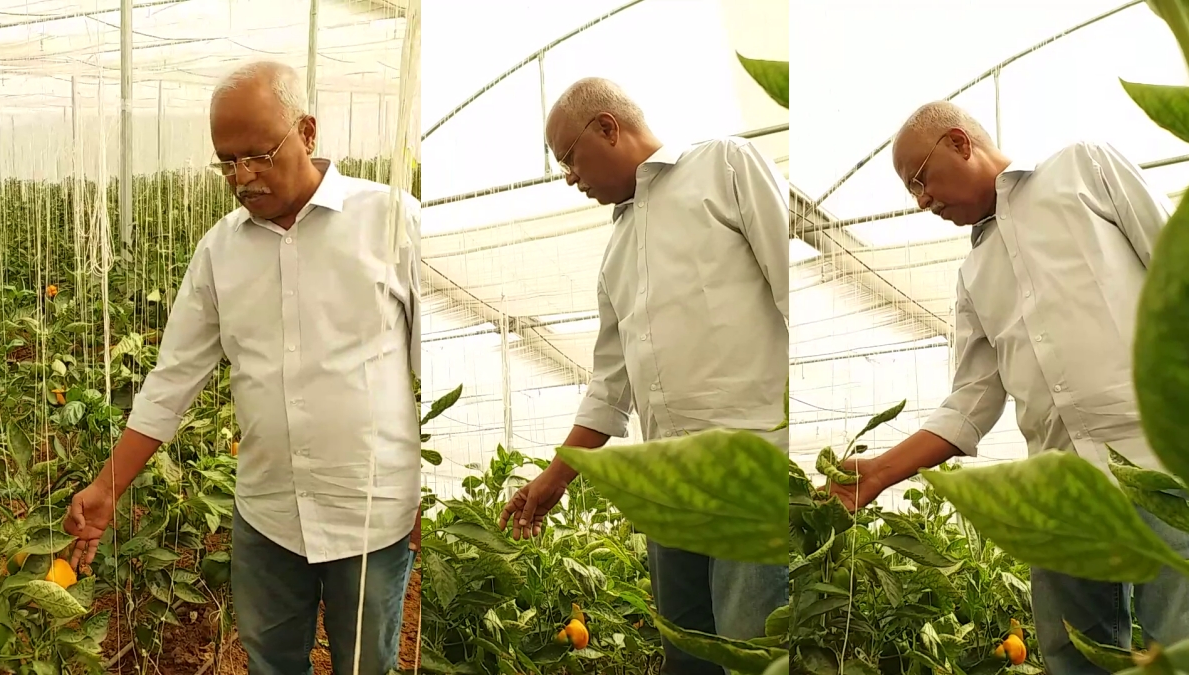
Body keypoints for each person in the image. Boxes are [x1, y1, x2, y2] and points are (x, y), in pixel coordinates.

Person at [61, 61, 422, 675]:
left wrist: (423, 494)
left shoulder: (392, 220)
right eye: (226, 162)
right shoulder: (219, 250)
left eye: (257, 155)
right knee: (270, 663)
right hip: (268, 514)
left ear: (307, 132)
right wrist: (107, 488)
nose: (242, 177)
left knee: (367, 664)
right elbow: (172, 379)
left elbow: (428, 359)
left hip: (371, 511)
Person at [829, 100, 1189, 675]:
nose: (921, 201)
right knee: (1076, 653)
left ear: (959, 143)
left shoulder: (1084, 170)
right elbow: (972, 399)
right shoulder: (973, 274)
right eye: (912, 193)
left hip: (1160, 456)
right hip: (1059, 487)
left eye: (919, 180)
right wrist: (880, 471)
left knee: (1182, 636)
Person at [497, 77, 791, 675]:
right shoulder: (616, 249)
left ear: (608, 127)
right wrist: (555, 478)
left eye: (569, 159)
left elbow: (791, 288)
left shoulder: (724, 166)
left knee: (749, 650)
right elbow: (610, 387)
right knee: (685, 651)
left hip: (748, 465)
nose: (569, 178)